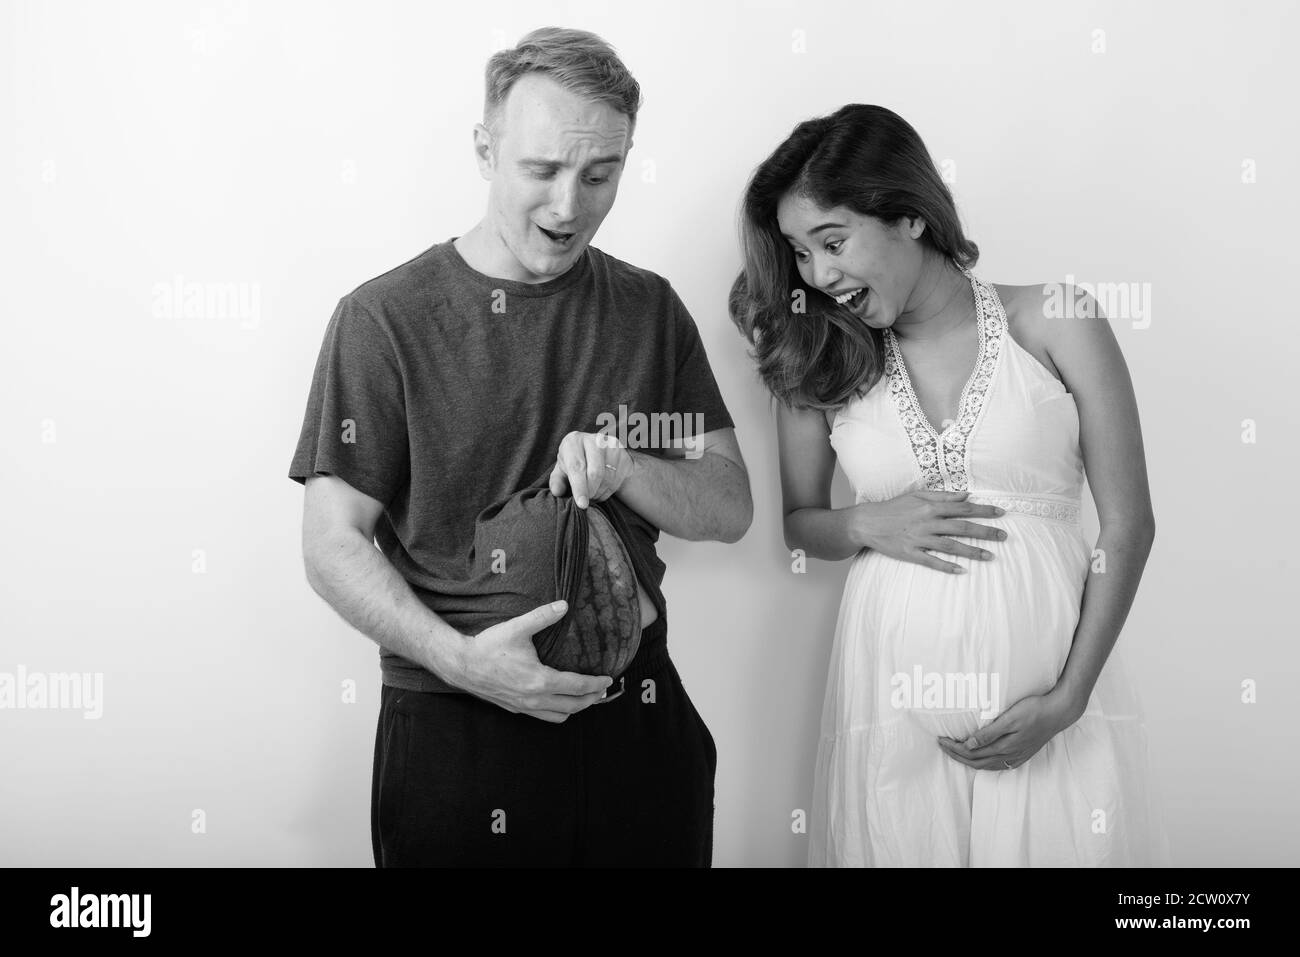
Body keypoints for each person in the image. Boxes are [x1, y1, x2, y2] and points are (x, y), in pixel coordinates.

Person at [288, 26, 751, 867]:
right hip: (458, 730)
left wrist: (628, 466)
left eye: (600, 174)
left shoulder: (650, 310)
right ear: (485, 149)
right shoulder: (383, 320)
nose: (569, 206)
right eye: (542, 169)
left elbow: (729, 504)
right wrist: (466, 663)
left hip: (639, 720)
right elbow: (330, 542)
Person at [729, 104, 1168, 866]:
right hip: (892, 708)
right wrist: (865, 524)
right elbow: (801, 520)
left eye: (833, 242)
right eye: (800, 253)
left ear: (910, 216)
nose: (819, 275)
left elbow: (1130, 525)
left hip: (1050, 712)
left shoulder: (1057, 319)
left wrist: (1067, 700)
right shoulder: (816, 357)